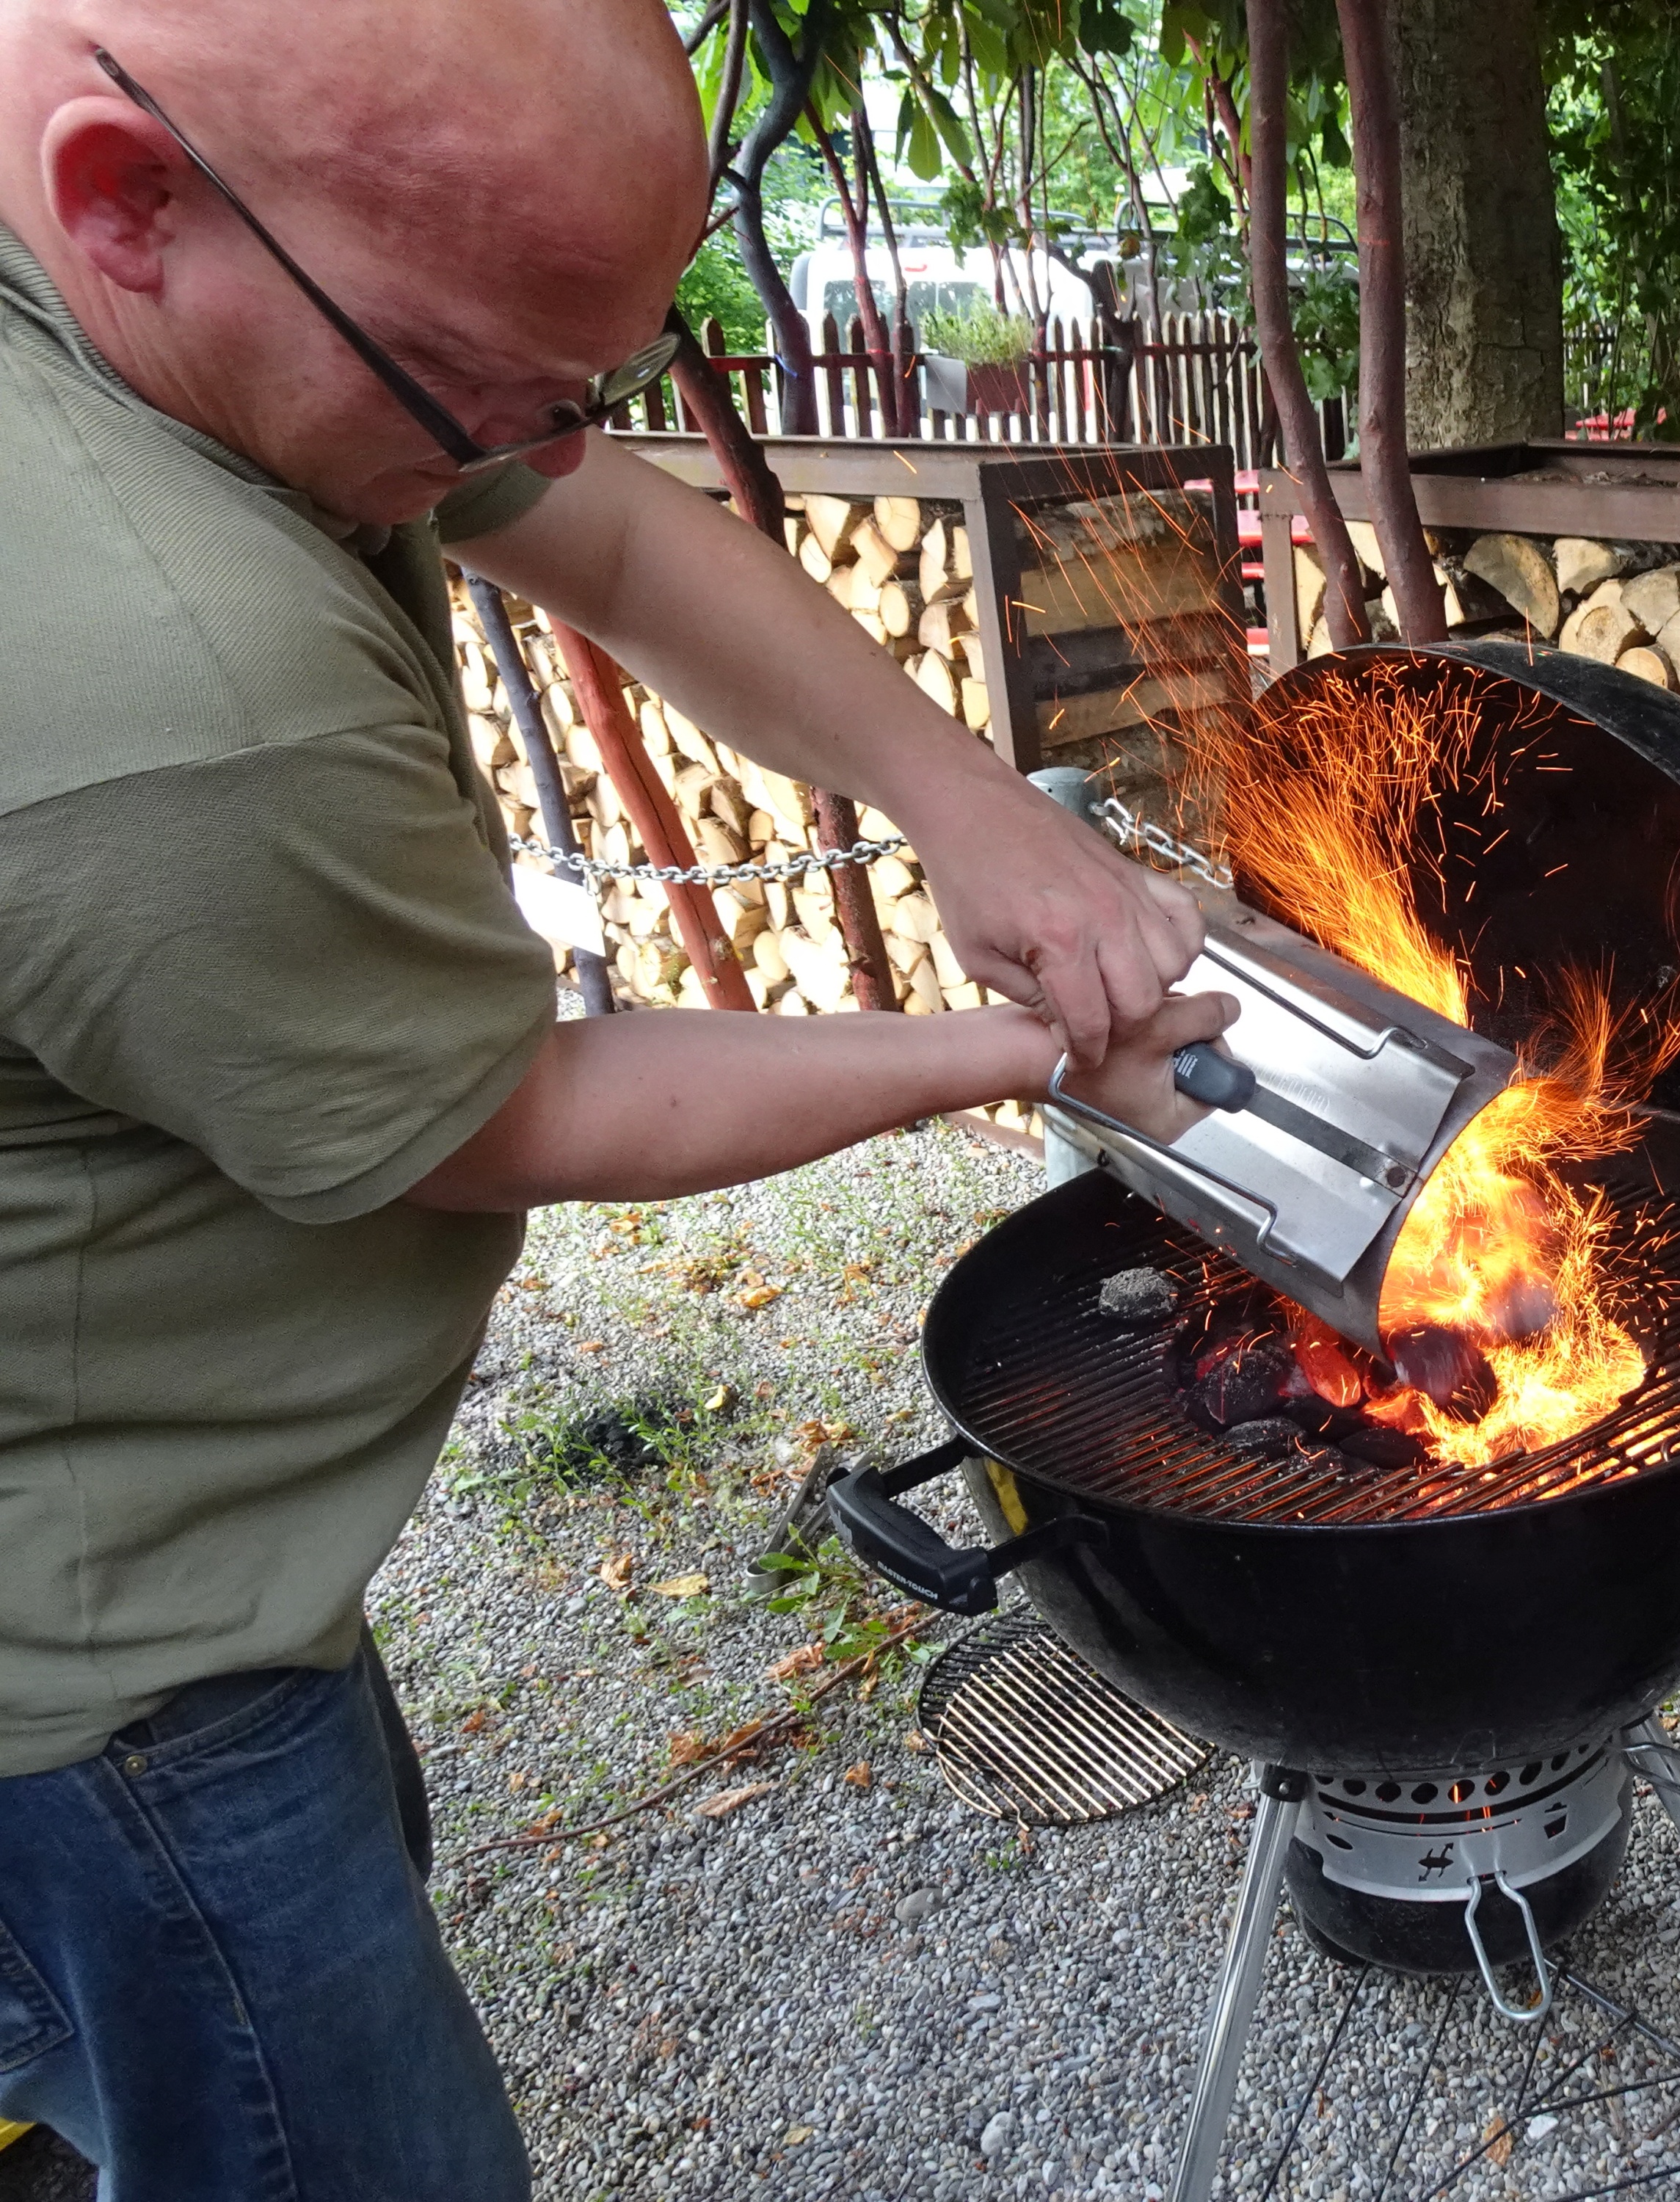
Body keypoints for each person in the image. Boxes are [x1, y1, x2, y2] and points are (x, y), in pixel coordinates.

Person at [0, 1, 1225, 2193]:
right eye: (483, 394)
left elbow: (610, 536)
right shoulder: (172, 691)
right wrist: (1029, 1051)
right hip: (97, 1663)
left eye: (594, 384)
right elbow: (509, 1108)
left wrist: (965, 800)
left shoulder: (247, 265)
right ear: (129, 198)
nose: (544, 455)